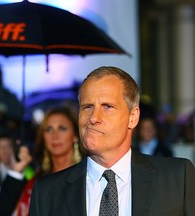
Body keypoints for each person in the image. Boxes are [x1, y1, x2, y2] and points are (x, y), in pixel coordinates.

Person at [29, 66, 195, 216]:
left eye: (107, 106)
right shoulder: (47, 193)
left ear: (133, 117)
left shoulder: (176, 179)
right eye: (87, 107)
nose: (93, 118)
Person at [13, 106, 84, 216]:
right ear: (43, 137)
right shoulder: (35, 184)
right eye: (49, 129)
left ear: (75, 136)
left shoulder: (89, 177)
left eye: (62, 128)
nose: (55, 136)